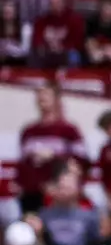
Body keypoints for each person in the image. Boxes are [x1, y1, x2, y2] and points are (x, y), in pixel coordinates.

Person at [17, 86, 87, 214]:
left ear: (56, 99)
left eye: (46, 94)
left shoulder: (69, 130)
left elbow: (81, 161)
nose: (42, 97)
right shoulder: (28, 131)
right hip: (32, 195)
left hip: (60, 197)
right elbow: (23, 164)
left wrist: (54, 156)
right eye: (39, 94)